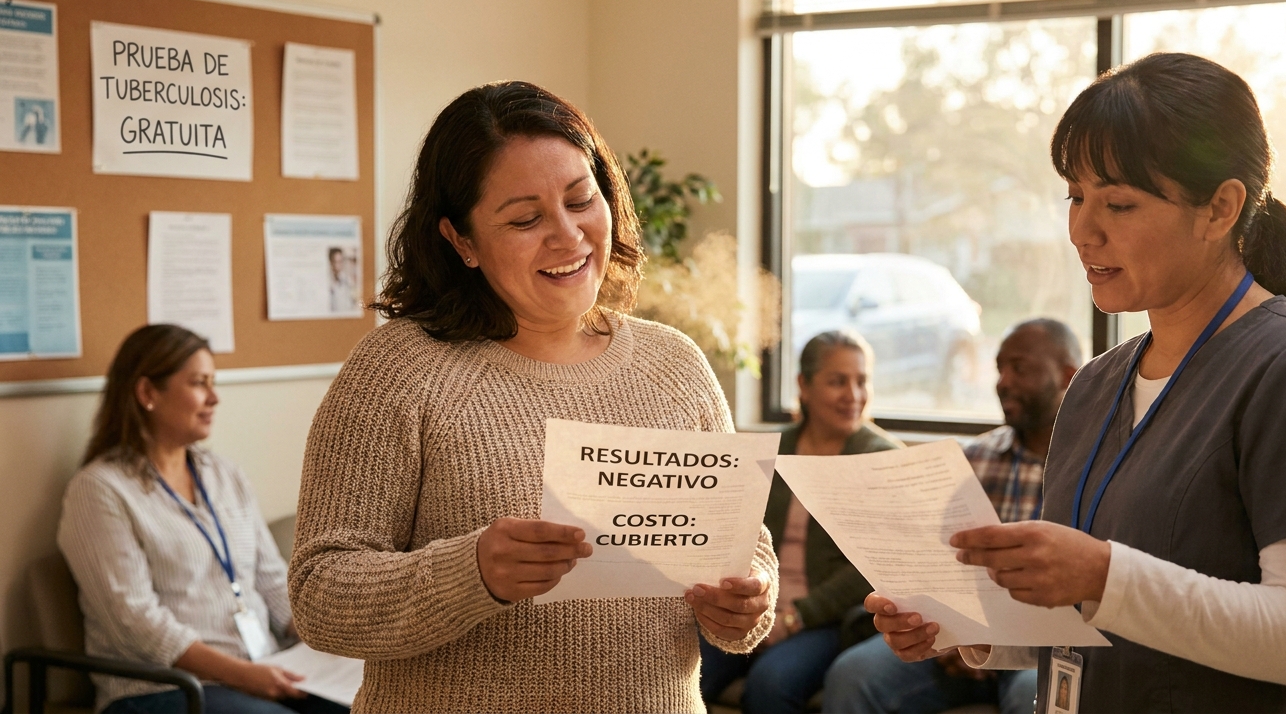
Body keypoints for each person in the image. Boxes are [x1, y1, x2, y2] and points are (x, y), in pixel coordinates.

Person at [868, 52, 1286, 712]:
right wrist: (965, 627)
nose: (1083, 230)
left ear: (1220, 208)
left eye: (1119, 203)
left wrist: (1100, 573)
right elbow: (1091, 617)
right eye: (1075, 197)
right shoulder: (1096, 385)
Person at [287, 81, 776, 713]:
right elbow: (319, 596)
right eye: (525, 219)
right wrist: (474, 573)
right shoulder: (399, 371)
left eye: (581, 199)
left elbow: (742, 546)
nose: (568, 236)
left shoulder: (675, 366)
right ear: (461, 241)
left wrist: (746, 600)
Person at [57, 324, 348, 714]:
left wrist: (329, 644)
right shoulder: (99, 490)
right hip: (162, 689)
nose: (214, 398)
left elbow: (272, 581)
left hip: (263, 669)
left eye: (213, 382)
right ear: (147, 393)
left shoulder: (224, 475)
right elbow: (135, 623)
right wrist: (242, 675)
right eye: (199, 383)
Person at [824, 319, 1081, 714]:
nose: (1003, 381)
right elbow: (934, 563)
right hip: (952, 634)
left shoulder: (1094, 468)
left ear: (1068, 376)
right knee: (852, 674)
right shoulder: (970, 459)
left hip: (1042, 644)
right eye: (999, 368)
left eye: (1020, 368)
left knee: (1036, 694)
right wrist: (954, 635)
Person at [699, 330, 904, 713]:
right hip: (755, 607)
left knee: (771, 682)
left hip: (829, 621)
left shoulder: (881, 457)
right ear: (803, 386)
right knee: (685, 665)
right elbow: (732, 535)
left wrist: (793, 619)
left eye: (862, 381)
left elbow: (868, 568)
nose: (853, 395)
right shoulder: (770, 449)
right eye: (837, 381)